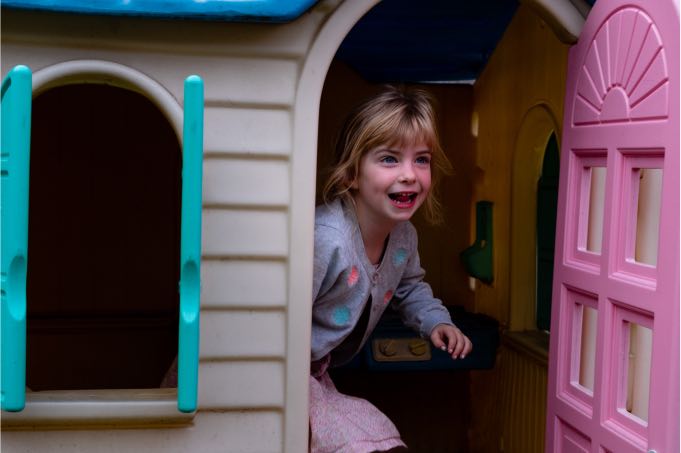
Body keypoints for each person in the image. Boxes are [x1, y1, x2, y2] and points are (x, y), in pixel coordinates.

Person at [309, 86, 473, 453]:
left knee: (380, 435)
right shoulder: (327, 240)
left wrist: (437, 322)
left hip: (313, 372)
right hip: (269, 372)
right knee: (354, 441)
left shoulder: (403, 238)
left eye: (422, 160)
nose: (410, 175)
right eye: (389, 159)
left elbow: (410, 287)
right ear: (351, 173)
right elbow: (272, 318)